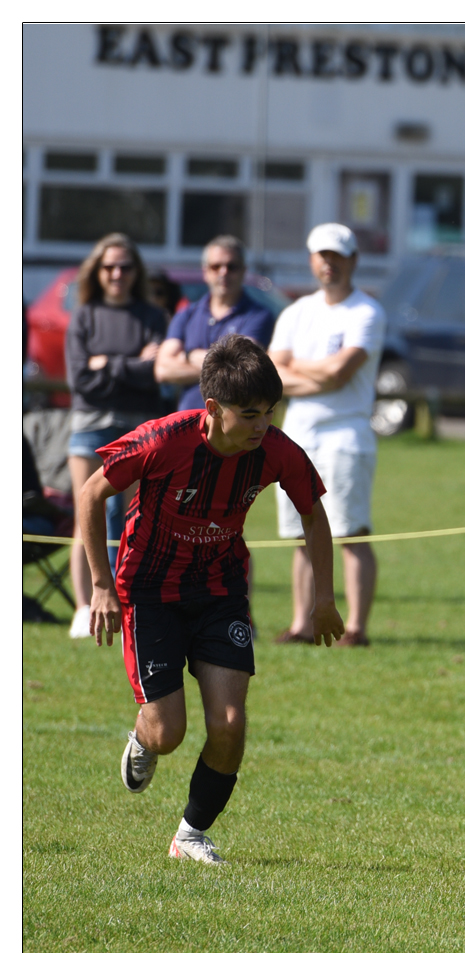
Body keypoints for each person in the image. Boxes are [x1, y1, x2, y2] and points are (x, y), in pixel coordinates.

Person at [78, 334, 345, 866]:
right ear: (212, 409)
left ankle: (191, 834)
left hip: (220, 590)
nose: (262, 425)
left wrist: (323, 599)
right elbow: (90, 493)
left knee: (229, 724)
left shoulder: (276, 452)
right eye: (249, 414)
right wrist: (101, 586)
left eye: (270, 412)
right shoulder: (163, 441)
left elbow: (313, 514)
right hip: (150, 592)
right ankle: (143, 737)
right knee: (168, 733)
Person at [268, 223, 386, 647]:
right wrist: (311, 372)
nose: (328, 263)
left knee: (351, 532)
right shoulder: (296, 312)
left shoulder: (366, 312)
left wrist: (296, 365)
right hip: (298, 434)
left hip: (345, 436)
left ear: (353, 260)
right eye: (322, 255)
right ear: (311, 259)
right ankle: (301, 623)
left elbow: (341, 372)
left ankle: (356, 627)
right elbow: (272, 374)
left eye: (337, 256)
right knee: (300, 534)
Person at [64, 232, 166, 639]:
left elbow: (154, 377)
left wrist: (106, 363)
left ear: (136, 271)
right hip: (89, 427)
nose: (117, 274)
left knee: (134, 519)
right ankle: (83, 606)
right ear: (97, 271)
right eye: (109, 267)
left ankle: (131, 604)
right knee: (85, 517)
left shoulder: (153, 317)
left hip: (141, 430)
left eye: (125, 266)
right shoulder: (84, 315)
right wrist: (131, 366)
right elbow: (81, 382)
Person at [154, 235, 275, 411]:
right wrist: (223, 365)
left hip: (232, 427)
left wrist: (187, 356)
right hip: (189, 423)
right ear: (205, 272)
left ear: (243, 271)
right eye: (216, 266)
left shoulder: (258, 316)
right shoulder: (186, 314)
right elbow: (163, 370)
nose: (223, 272)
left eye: (231, 266)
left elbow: (243, 369)